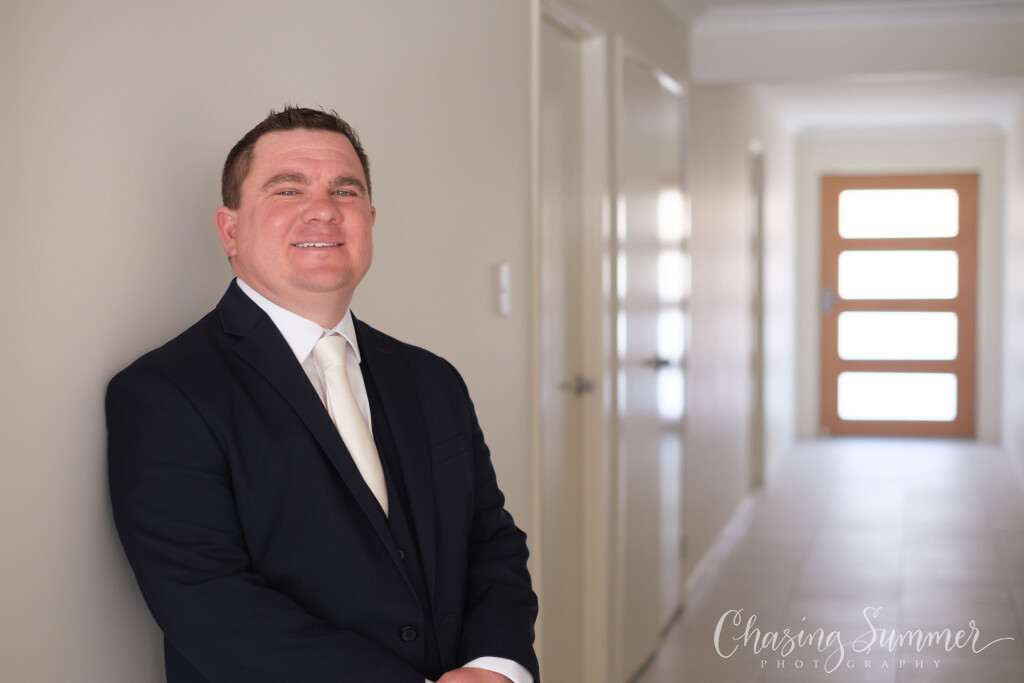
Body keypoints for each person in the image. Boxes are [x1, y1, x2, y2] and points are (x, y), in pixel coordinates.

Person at [107, 106, 539, 683]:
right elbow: (209, 604)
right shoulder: (164, 393)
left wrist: (497, 666)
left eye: (345, 190)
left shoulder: (433, 379)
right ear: (230, 230)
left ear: (369, 220)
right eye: (288, 189)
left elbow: (490, 541)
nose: (324, 209)